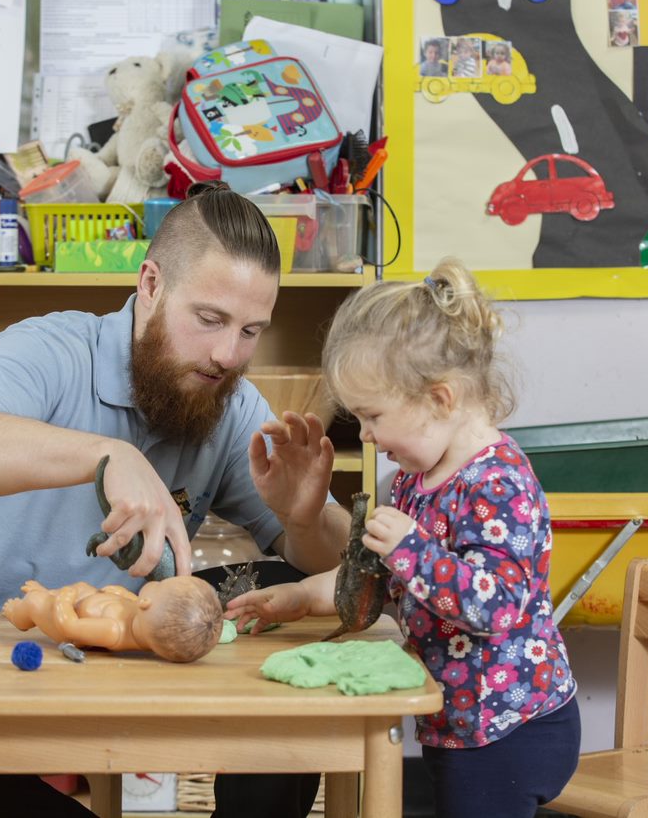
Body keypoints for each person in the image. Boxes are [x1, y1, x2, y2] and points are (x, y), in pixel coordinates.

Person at [0, 180, 348, 818]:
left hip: (116, 664)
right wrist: (106, 456)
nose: (227, 355)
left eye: (251, 331)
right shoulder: (47, 348)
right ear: (151, 284)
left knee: (286, 587)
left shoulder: (231, 402)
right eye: (210, 320)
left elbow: (326, 562)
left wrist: (304, 518)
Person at [225, 259, 581, 818]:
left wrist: (412, 549)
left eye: (372, 416)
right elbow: (383, 579)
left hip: (512, 725)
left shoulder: (498, 482)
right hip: (457, 721)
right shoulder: (416, 479)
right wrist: (302, 597)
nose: (365, 435)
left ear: (440, 399)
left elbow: (497, 607)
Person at [3, 576, 223, 662]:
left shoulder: (113, 631)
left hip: (68, 618)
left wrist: (62, 600)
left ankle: (20, 615)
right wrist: (122, 595)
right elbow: (131, 603)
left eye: (161, 584)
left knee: (33, 601)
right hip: (84, 601)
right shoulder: (145, 620)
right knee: (84, 589)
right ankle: (49, 596)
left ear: (146, 602)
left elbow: (70, 626)